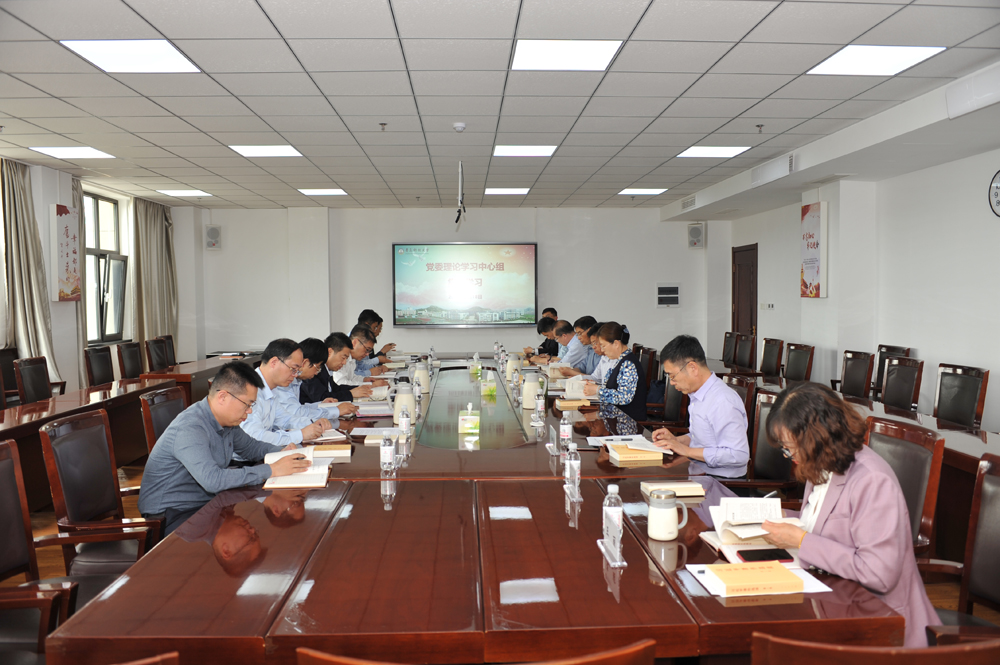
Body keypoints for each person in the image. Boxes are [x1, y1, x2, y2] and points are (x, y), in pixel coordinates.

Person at [760, 382, 939, 648]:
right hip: (833, 597)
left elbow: (878, 574)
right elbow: (821, 521)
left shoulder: (871, 480)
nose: (790, 456)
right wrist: (773, 516)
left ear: (816, 438)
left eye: (791, 447)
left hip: (880, 622)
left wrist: (801, 540)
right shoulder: (821, 462)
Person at [138, 362, 311, 535]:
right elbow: (213, 480)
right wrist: (272, 470)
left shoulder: (226, 422)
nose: (249, 411)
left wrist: (281, 451)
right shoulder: (190, 428)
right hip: (171, 516)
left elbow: (251, 447)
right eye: (247, 404)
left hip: (205, 503)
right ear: (223, 397)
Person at [650, 335, 750, 479]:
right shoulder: (698, 394)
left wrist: (686, 451)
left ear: (692, 368)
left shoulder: (722, 401)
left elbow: (738, 454)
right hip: (698, 473)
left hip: (723, 483)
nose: (671, 382)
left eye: (672, 376)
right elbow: (704, 439)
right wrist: (675, 441)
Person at [240, 338, 331, 447]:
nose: (295, 375)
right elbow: (255, 436)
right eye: (293, 369)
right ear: (274, 362)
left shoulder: (272, 388)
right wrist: (301, 434)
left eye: (297, 370)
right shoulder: (248, 390)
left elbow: (285, 419)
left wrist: (313, 423)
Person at [275, 337, 357, 420]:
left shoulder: (297, 380)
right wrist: (335, 411)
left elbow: (299, 407)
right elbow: (297, 412)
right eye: (317, 367)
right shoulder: (284, 381)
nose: (316, 373)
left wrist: (321, 404)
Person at [582, 322, 647, 421]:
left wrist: (597, 390)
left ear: (616, 343)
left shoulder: (628, 364)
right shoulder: (620, 360)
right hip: (613, 416)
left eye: (603, 346)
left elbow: (624, 398)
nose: (602, 350)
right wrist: (594, 386)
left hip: (627, 422)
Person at [300, 332, 373, 403]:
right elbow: (322, 398)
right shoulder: (312, 370)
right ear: (330, 352)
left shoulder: (326, 370)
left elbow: (336, 389)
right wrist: (350, 394)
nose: (344, 363)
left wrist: (359, 388)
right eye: (343, 358)